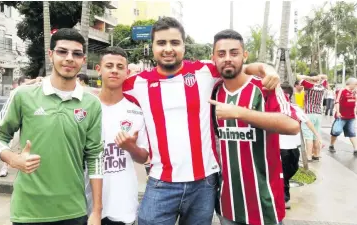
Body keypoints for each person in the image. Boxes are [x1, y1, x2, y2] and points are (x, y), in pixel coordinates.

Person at [123, 17, 281, 225]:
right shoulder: (136, 83)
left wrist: (266, 69)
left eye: (174, 43)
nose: (168, 49)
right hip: (161, 183)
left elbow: (238, 65)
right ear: (151, 47)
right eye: (161, 43)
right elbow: (107, 92)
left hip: (204, 183)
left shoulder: (205, 71)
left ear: (184, 46)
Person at [0, 28, 103, 225]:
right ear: (51, 55)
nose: (69, 58)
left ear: (83, 60)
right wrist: (13, 160)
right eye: (62, 52)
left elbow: (95, 157)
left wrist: (97, 211)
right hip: (28, 211)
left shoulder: (91, 103)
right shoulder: (23, 95)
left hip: (74, 210)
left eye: (76, 54)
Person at [209, 29, 299, 225]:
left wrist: (240, 113)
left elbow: (292, 125)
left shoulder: (265, 86)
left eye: (234, 53)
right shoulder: (214, 90)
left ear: (244, 55)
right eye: (221, 54)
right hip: (228, 203)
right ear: (213, 58)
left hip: (264, 202)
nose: (227, 59)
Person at [85, 47, 149, 225]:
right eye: (109, 65)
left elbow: (144, 157)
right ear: (99, 69)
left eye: (120, 67)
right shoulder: (85, 107)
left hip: (122, 205)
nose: (114, 70)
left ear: (127, 72)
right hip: (85, 203)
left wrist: (131, 147)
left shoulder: (135, 111)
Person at [280, 83, 321, 210]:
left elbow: (307, 122)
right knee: (283, 173)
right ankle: (284, 198)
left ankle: (281, 190)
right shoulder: (273, 108)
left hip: (293, 146)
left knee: (292, 169)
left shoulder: (295, 108)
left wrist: (317, 136)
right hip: (279, 147)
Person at [297, 72, 328, 161]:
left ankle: (309, 156)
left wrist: (310, 78)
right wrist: (318, 77)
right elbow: (325, 77)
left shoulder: (309, 85)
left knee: (308, 136)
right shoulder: (322, 86)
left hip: (309, 113)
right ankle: (317, 154)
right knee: (316, 135)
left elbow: (299, 76)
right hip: (318, 113)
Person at [329, 77, 357, 155]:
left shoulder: (354, 92)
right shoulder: (341, 91)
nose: (356, 86)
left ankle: (355, 149)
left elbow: (355, 102)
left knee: (352, 133)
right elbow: (337, 101)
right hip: (341, 116)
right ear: (350, 83)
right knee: (336, 131)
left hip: (351, 116)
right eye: (355, 84)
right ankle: (331, 145)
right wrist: (338, 112)